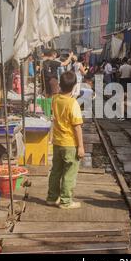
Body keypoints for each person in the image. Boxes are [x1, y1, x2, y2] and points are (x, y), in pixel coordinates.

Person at [47, 71, 85, 209]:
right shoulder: (73, 103)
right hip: (70, 143)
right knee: (69, 173)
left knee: (56, 171)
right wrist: (80, 146)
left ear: (60, 84)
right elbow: (77, 127)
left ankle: (52, 197)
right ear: (74, 86)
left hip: (57, 143)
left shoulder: (55, 99)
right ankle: (66, 201)